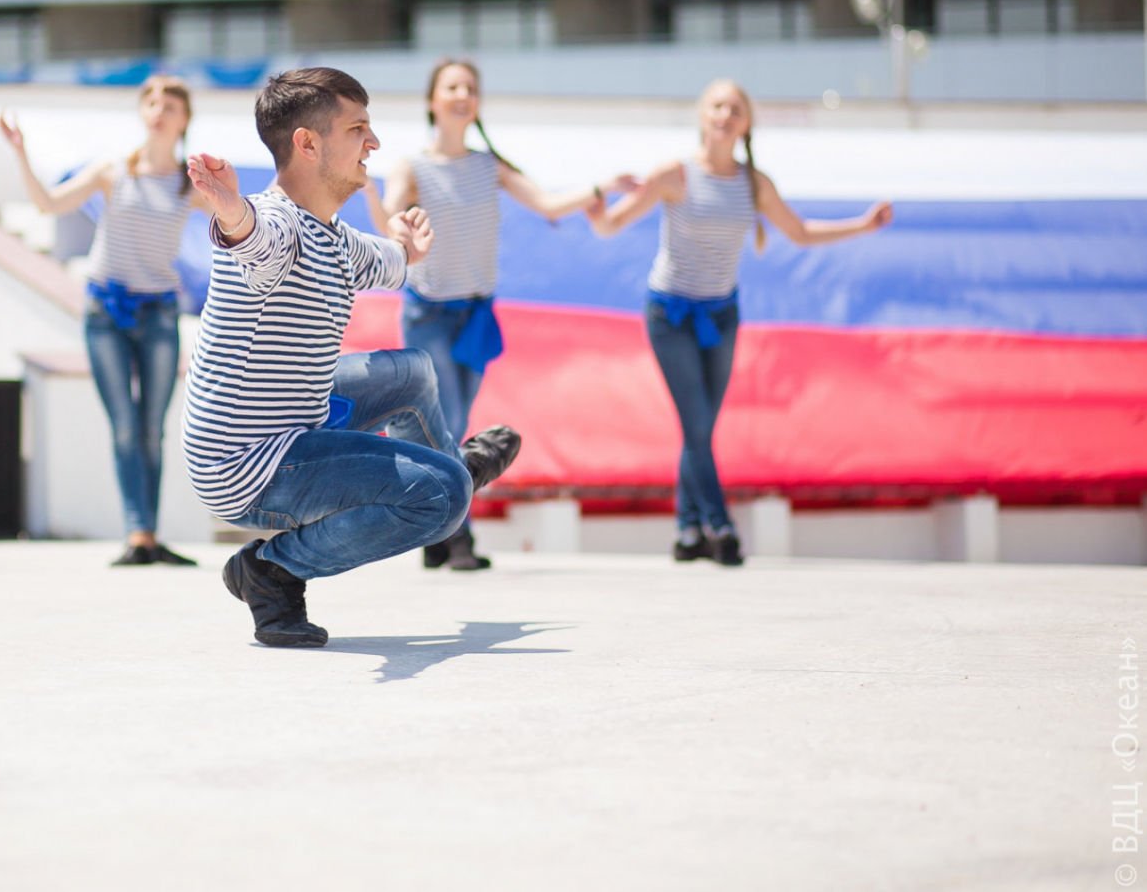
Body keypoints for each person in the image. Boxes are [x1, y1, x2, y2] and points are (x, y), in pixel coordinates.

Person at [182, 67, 523, 648]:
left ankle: (454, 473)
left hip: (298, 419)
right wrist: (231, 210)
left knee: (412, 371)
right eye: (358, 129)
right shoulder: (277, 225)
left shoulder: (334, 238)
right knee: (442, 495)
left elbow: (391, 261)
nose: (374, 143)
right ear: (307, 143)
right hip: (249, 465)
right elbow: (254, 240)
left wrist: (408, 248)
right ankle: (273, 570)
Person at [583, 78, 892, 566]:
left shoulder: (754, 184)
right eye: (717, 106)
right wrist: (597, 208)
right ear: (702, 115)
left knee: (701, 427)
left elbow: (800, 232)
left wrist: (863, 225)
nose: (725, 115)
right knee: (697, 422)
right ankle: (720, 526)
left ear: (746, 123)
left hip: (721, 314)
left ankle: (687, 530)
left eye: (735, 109)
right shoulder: (675, 175)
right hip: (671, 313)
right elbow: (611, 225)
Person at [372, 58, 625, 570]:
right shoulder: (412, 167)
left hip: (477, 315)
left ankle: (437, 531)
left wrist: (602, 189)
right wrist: (366, 192)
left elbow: (548, 205)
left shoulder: (490, 166)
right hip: (429, 313)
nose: (462, 94)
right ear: (432, 100)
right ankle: (456, 536)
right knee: (448, 421)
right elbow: (391, 223)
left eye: (470, 87)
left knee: (456, 423)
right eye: (451, 87)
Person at [0, 76, 201, 567]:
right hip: (106, 312)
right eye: (152, 102)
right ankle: (137, 534)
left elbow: (243, 215)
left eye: (171, 105)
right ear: (142, 111)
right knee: (125, 427)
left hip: (158, 313)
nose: (159, 111)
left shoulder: (189, 182)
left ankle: (149, 535)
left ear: (184, 120)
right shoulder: (114, 171)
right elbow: (48, 204)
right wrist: (21, 154)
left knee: (152, 428)